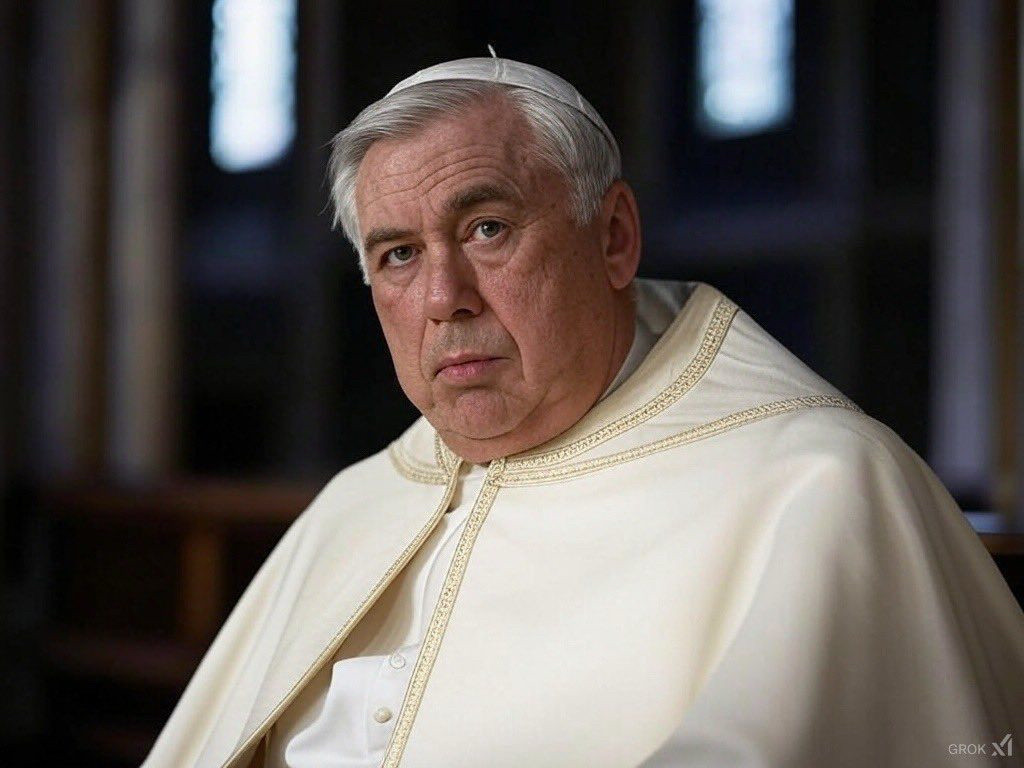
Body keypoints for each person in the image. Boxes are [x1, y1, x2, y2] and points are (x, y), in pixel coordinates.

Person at [144, 57, 1024, 768]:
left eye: (487, 228)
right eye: (399, 255)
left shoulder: (822, 487)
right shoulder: (354, 505)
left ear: (613, 238)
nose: (444, 298)